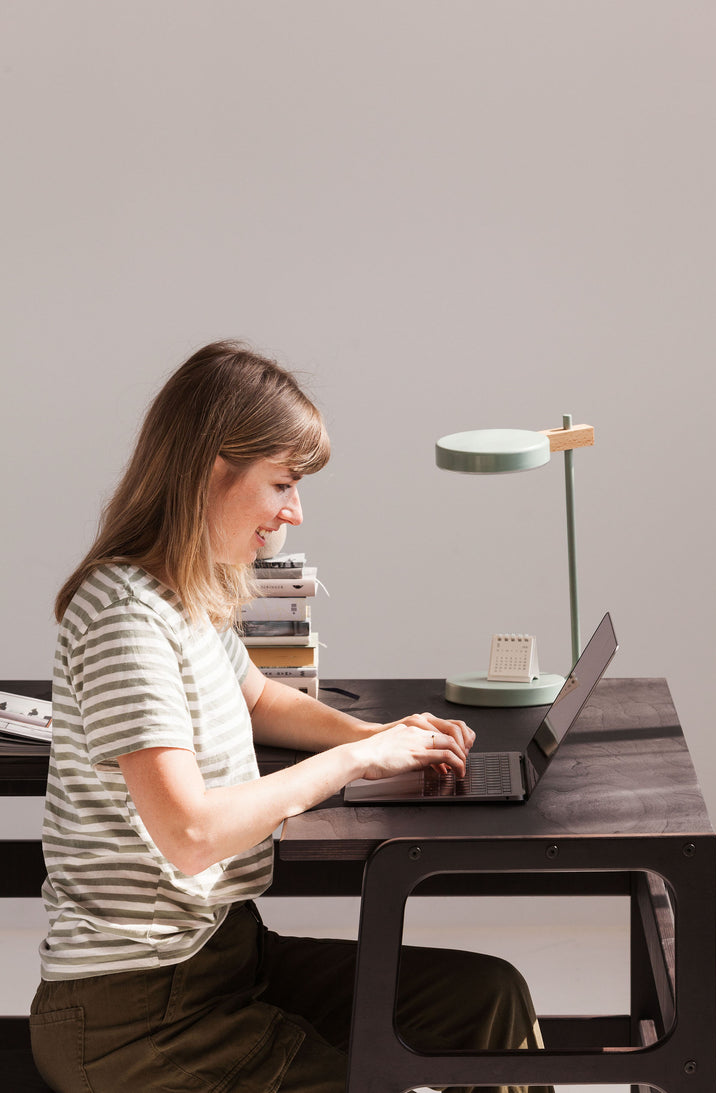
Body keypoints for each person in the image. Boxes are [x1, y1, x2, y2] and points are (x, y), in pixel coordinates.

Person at [30, 339, 552, 1093]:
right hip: (133, 1016)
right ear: (214, 468)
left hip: (228, 961)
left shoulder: (190, 594)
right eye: (282, 482)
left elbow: (261, 699)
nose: (295, 511)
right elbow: (190, 833)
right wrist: (351, 762)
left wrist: (384, 736)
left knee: (488, 998)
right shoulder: (122, 615)